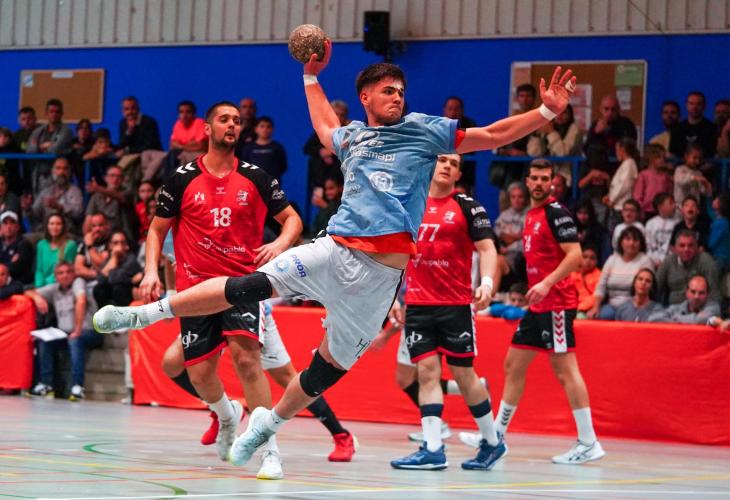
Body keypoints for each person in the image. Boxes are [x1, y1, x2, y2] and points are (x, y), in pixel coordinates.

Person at [93, 41, 577, 470]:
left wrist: (546, 112)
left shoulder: (424, 131)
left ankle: (265, 428)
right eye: (388, 91)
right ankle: (143, 316)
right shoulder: (353, 137)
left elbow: (493, 134)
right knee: (249, 285)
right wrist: (310, 76)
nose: (398, 97)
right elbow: (326, 124)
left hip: (380, 278)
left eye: (401, 91)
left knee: (326, 370)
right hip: (335, 249)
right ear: (366, 97)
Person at [133, 101, 302, 478]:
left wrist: (280, 244)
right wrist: (150, 272)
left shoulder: (256, 177)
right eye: (224, 119)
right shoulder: (181, 179)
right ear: (207, 129)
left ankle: (269, 451)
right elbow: (157, 230)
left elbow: (292, 219)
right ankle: (228, 414)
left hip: (241, 286)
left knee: (248, 361)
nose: (232, 125)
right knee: (199, 374)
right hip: (195, 292)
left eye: (236, 121)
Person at [388, 153, 500, 471]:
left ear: (459, 174)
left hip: (455, 305)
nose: (447, 166)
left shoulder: (468, 206)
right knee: (427, 373)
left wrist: (487, 283)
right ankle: (433, 448)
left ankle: (492, 442)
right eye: (442, 160)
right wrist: (392, 297)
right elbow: (396, 253)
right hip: (418, 305)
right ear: (431, 165)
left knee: (464, 375)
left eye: (454, 163)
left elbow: (488, 248)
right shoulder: (411, 203)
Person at [494, 159, 605, 465]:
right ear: (527, 182)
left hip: (557, 303)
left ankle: (589, 442)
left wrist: (545, 283)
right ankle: (495, 436)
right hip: (538, 305)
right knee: (513, 365)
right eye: (535, 178)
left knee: (566, 371)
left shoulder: (557, 213)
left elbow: (575, 256)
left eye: (546, 178)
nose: (540, 183)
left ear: (553, 182)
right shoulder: (531, 215)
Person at [161, 299, 358, 464]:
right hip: (207, 307)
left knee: (286, 377)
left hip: (240, 302)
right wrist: (163, 285)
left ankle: (341, 436)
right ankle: (224, 411)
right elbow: (172, 266)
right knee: (172, 363)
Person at [24, 262, 101, 400]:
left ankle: (77, 386)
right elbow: (27, 291)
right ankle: (46, 385)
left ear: (73, 274)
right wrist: (37, 297)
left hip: (89, 331)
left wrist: (77, 330)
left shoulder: (79, 282)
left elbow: (81, 301)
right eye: (60, 273)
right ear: (56, 277)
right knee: (44, 340)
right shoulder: (54, 289)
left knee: (75, 340)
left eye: (68, 272)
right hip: (65, 333)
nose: (65, 275)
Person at [589, 226, 654, 320]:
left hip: (634, 306)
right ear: (621, 242)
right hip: (611, 306)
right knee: (601, 316)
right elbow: (601, 286)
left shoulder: (645, 260)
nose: (631, 243)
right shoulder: (612, 259)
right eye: (628, 239)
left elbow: (647, 287)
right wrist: (595, 307)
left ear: (641, 244)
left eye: (635, 240)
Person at [656, 229, 720, 305]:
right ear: (675, 248)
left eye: (690, 245)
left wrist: (707, 311)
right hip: (672, 309)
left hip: (699, 309)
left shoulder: (706, 261)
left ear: (696, 247)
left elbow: (714, 294)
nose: (686, 249)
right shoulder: (669, 261)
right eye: (682, 246)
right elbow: (655, 287)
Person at [527, 104, 584, 185]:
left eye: (564, 113)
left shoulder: (575, 129)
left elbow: (562, 153)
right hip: (544, 173)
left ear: (570, 115)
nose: (560, 115)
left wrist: (551, 132)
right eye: (557, 112)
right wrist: (536, 134)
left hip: (567, 176)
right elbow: (533, 153)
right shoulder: (548, 125)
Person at [30, 156, 84, 234]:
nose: (61, 172)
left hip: (67, 233)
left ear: (69, 172)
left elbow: (78, 213)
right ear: (53, 171)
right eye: (58, 168)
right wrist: (28, 208)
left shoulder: (75, 191)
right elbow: (35, 214)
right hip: (45, 232)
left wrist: (60, 207)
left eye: (65, 169)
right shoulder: (46, 192)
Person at [92, 231, 142, 307]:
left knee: (118, 288)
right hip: (113, 293)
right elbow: (100, 280)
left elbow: (114, 279)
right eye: (115, 243)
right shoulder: (108, 259)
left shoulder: (131, 260)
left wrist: (114, 258)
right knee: (98, 289)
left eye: (122, 243)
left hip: (127, 294)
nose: (119, 246)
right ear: (110, 246)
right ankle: (106, 314)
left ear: (127, 246)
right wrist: (113, 259)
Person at [649, 275, 720, 324]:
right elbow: (653, 318)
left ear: (707, 294)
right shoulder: (676, 308)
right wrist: (678, 321)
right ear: (686, 292)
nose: (696, 297)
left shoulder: (713, 307)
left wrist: (675, 317)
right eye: (693, 292)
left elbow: (698, 321)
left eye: (701, 293)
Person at [604, 137, 640, 232]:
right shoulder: (626, 164)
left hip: (621, 206)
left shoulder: (629, 163)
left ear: (622, 149)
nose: (616, 153)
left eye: (617, 150)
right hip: (617, 204)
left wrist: (612, 199)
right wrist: (609, 196)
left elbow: (624, 185)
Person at [35, 213, 78, 287]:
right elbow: (39, 270)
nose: (55, 227)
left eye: (58, 224)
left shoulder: (70, 245)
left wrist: (45, 284)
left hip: (59, 284)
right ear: (47, 226)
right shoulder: (41, 244)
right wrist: (39, 285)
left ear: (63, 227)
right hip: (42, 285)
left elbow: (65, 271)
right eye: (52, 224)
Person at [669, 91, 717, 159]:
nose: (695, 107)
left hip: (704, 165)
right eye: (691, 103)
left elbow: (713, 154)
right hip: (680, 165)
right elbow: (673, 153)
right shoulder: (677, 128)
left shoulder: (712, 128)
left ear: (704, 106)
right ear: (686, 105)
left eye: (698, 104)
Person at [240, 117, 288, 182]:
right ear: (255, 129)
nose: (265, 129)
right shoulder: (249, 148)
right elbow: (243, 166)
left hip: (272, 183)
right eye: (262, 126)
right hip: (253, 183)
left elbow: (283, 166)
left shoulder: (277, 147)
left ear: (272, 129)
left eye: (268, 127)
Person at [633, 144, 673, 220]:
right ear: (651, 159)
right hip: (647, 211)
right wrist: (640, 210)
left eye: (663, 158)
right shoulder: (643, 175)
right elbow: (637, 196)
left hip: (662, 211)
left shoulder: (666, 177)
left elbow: (669, 194)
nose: (662, 160)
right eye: (658, 157)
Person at [645, 193, 680, 267]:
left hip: (673, 263)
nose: (675, 205)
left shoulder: (678, 223)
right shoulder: (650, 223)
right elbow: (648, 245)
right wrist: (654, 261)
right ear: (660, 206)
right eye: (671, 203)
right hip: (653, 262)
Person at [0, 210, 34, 285]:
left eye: (12, 223)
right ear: (1, 227)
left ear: (18, 227)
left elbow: (16, 269)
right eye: (5, 223)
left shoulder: (24, 244)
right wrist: (10, 263)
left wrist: (5, 267)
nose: (8, 226)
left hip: (19, 284)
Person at [571, 245, 601, 318]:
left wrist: (579, 308)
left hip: (588, 309)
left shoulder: (599, 276)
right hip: (572, 307)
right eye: (585, 257)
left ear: (597, 262)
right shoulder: (572, 274)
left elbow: (596, 297)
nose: (588, 261)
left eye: (592, 258)